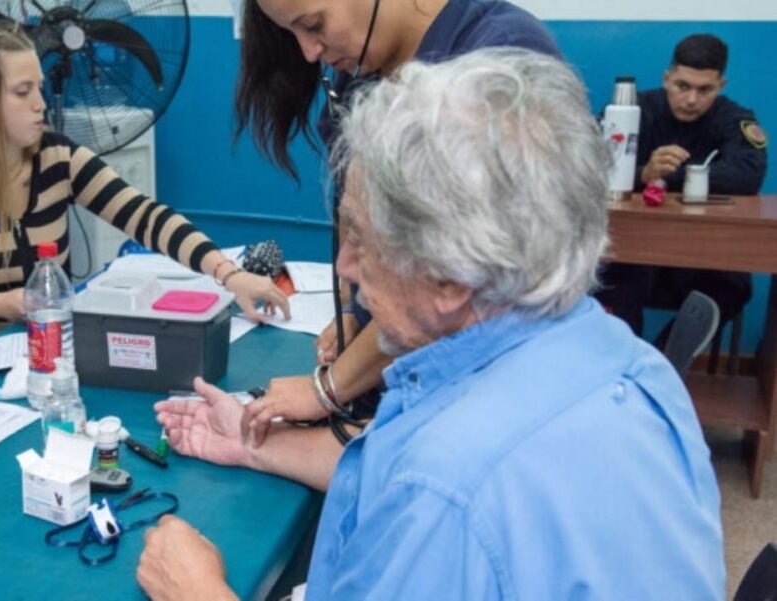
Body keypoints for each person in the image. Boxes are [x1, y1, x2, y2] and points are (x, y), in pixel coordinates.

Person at [139, 49, 724, 599]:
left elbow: (440, 491)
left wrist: (198, 592)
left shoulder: (446, 489)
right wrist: (254, 445)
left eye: (359, 237)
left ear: (450, 278)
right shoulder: (634, 366)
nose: (345, 266)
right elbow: (401, 470)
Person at [232, 0, 561, 442]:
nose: (309, 52)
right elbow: (358, 214)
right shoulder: (361, 75)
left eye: (314, 25)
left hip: (485, 406)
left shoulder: (500, 59)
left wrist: (328, 389)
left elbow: (452, 290)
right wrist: (356, 310)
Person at [0, 25, 289, 370]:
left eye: (39, 87)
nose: (41, 104)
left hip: (42, 341)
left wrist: (228, 274)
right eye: (22, 91)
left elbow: (145, 216)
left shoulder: (56, 157)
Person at [596, 33, 768, 337]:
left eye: (705, 90)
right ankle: (623, 356)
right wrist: (644, 174)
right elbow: (593, 168)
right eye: (682, 86)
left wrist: (671, 175)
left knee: (733, 285)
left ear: (721, 85)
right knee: (613, 270)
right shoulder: (629, 111)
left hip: (701, 254)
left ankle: (668, 358)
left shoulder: (734, 118)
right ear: (667, 78)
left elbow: (748, 174)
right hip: (636, 246)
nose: (691, 100)